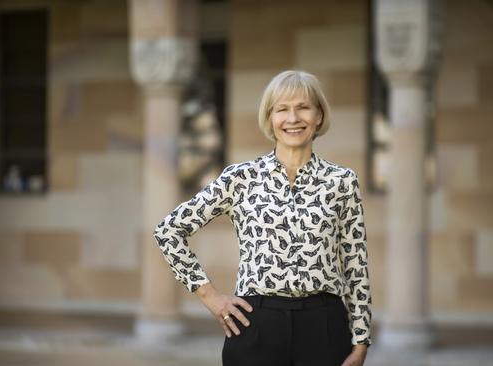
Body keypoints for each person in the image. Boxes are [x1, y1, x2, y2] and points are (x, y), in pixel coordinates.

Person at [153, 70, 371, 366]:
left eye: (303, 107)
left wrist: (360, 342)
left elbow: (355, 264)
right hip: (256, 325)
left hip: (325, 327)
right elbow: (169, 231)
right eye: (282, 109)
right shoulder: (240, 178)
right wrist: (211, 297)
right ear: (270, 118)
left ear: (319, 115)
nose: (293, 118)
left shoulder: (342, 182)